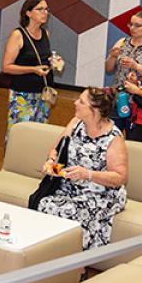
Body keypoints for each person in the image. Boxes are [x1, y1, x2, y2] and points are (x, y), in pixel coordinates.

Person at [35, 87, 129, 250]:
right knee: (44, 203)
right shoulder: (76, 123)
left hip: (101, 193)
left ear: (94, 110)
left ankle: (77, 263)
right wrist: (51, 162)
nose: (75, 103)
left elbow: (120, 177)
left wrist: (88, 174)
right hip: (71, 187)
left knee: (67, 211)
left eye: (81, 101)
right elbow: (56, 150)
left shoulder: (114, 138)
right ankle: (51, 255)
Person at [2, 0, 58, 140]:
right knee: (20, 135)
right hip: (23, 95)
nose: (45, 12)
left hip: (44, 95)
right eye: (40, 9)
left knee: (38, 136)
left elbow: (42, 59)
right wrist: (32, 69)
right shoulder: (18, 35)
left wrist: (53, 62)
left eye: (46, 9)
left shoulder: (45, 34)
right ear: (28, 13)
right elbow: (6, 67)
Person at [105, 8, 142, 134]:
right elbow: (108, 69)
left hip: (138, 101)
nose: (132, 28)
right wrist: (112, 57)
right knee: (112, 134)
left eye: (138, 25)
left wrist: (135, 66)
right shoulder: (122, 42)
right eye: (131, 24)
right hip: (117, 97)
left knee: (133, 137)